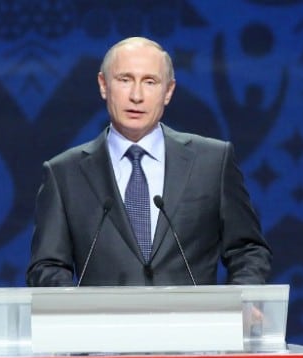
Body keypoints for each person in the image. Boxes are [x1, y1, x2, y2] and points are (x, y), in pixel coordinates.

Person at [26, 37, 272, 287]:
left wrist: (245, 299)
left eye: (150, 82)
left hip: (192, 323)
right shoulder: (64, 174)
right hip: (103, 324)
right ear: (103, 85)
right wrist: (72, 314)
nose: (136, 95)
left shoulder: (212, 162)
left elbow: (247, 250)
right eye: (125, 80)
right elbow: (48, 266)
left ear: (168, 91)